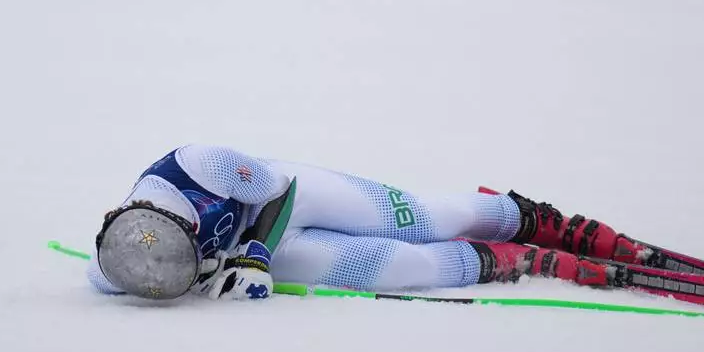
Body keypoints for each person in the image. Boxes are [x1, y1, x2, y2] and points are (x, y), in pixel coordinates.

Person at [88, 144, 652, 301]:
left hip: (289, 201)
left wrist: (252, 255)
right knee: (398, 268)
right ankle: (514, 262)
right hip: (248, 253)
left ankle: (531, 220)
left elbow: (278, 192)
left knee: (423, 219)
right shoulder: (115, 266)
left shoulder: (196, 166)